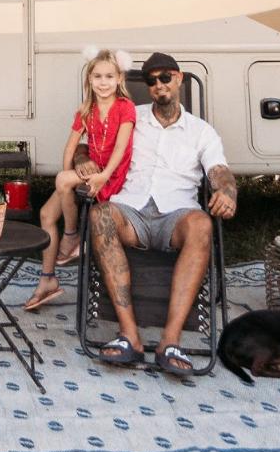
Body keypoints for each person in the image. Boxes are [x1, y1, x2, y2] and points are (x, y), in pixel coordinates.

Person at [90, 50, 237, 378]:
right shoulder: (130, 115)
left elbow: (219, 169)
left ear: (179, 78)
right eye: (151, 80)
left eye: (165, 77)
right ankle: (130, 336)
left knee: (202, 225)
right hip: (132, 210)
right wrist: (84, 157)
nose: (158, 85)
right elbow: (92, 136)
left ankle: (170, 342)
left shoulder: (201, 131)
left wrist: (226, 191)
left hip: (177, 215)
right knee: (99, 214)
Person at [23, 48, 136, 311]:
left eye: (109, 76)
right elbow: (70, 147)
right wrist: (67, 184)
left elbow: (121, 148)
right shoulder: (87, 110)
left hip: (111, 176)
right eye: (97, 76)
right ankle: (48, 280)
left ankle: (72, 236)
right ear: (89, 80)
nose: (103, 82)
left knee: (63, 180)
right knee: (46, 214)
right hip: (86, 177)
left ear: (119, 79)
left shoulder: (125, 108)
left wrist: (102, 175)